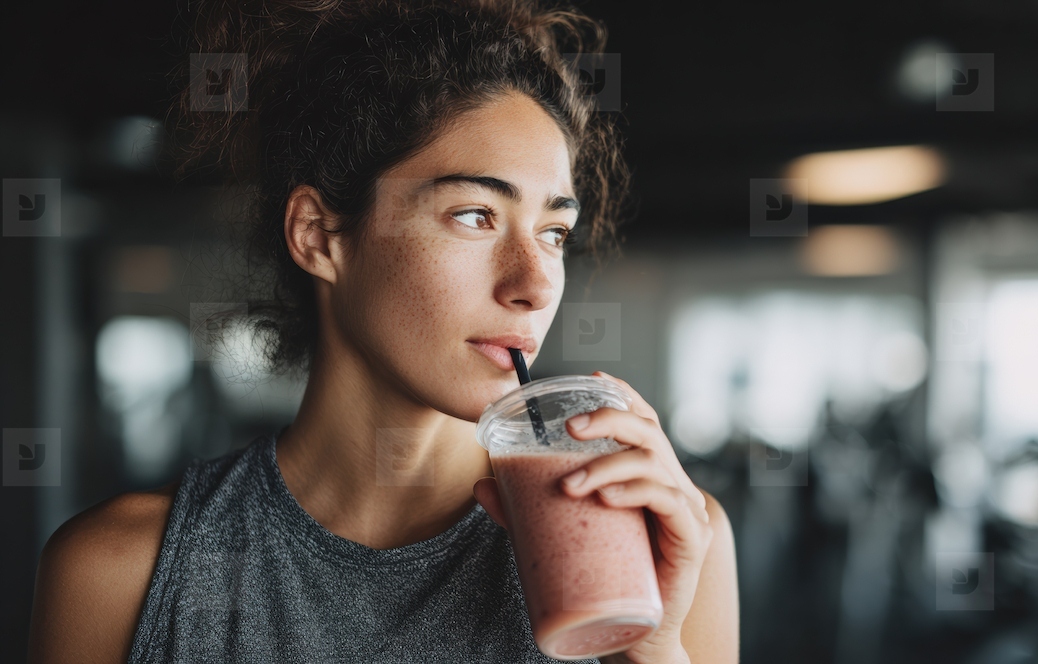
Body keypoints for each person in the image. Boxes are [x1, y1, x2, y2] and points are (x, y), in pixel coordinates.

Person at [27, 1, 739, 662]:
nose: (534, 283)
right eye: (474, 215)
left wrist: (658, 649)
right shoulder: (121, 575)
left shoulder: (663, 548)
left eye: (554, 232)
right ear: (320, 235)